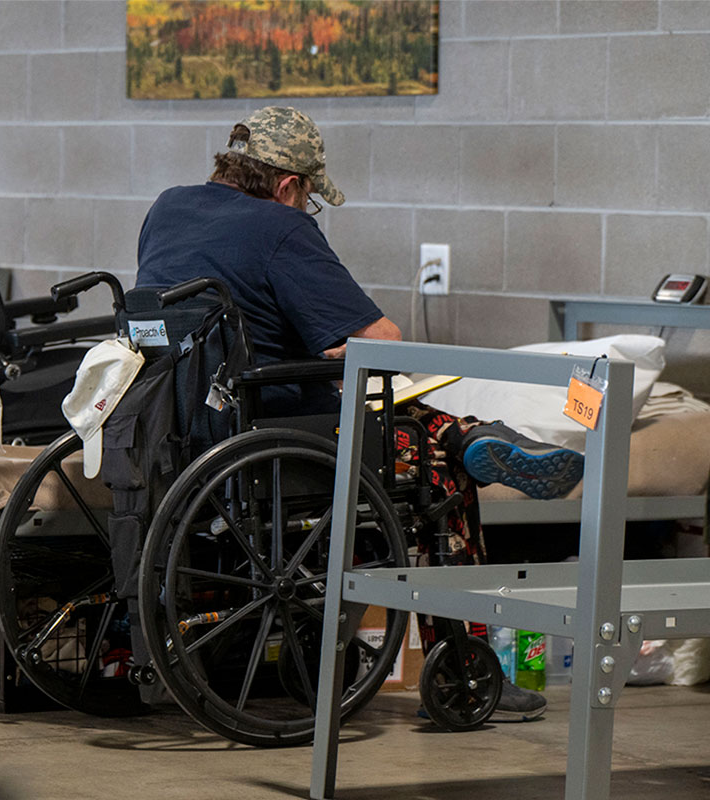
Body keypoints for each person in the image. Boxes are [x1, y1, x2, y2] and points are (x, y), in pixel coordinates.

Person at [136, 106, 584, 722]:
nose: (308, 208)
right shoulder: (281, 227)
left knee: (408, 422)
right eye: (310, 197)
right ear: (290, 185)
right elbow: (384, 338)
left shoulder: (168, 207)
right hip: (279, 430)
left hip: (182, 425)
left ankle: (476, 437)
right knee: (437, 473)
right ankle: (464, 659)